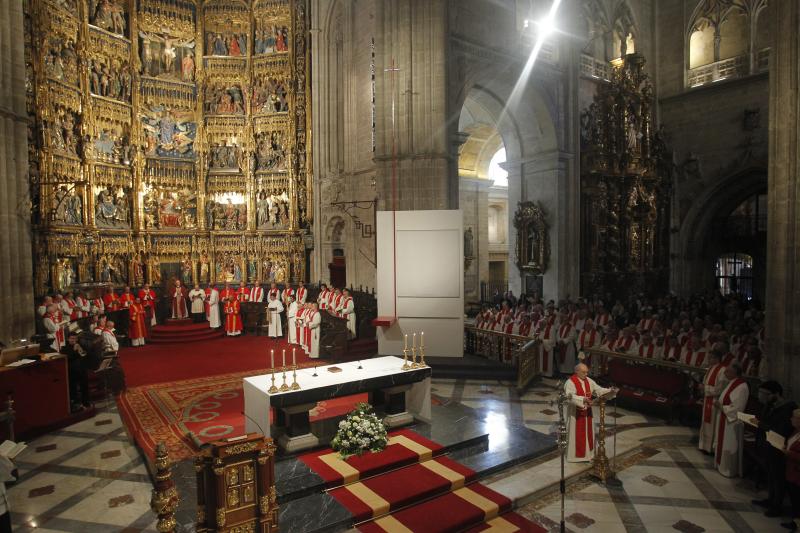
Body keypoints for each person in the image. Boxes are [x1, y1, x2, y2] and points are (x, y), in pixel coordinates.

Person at [752, 381, 797, 517]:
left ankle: (777, 506)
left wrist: (760, 424)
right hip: (767, 445)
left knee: (778, 478)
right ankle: (771, 500)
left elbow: (780, 430)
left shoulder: (787, 408)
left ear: (776, 394)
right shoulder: (770, 405)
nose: (762, 397)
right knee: (771, 475)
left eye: (765, 394)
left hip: (778, 448)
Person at [564, 363, 618, 462]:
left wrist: (610, 390)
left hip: (587, 412)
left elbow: (598, 390)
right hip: (576, 414)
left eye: (587, 372)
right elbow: (569, 396)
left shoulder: (588, 381)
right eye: (584, 372)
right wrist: (583, 399)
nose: (586, 374)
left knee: (588, 433)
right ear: (577, 372)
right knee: (577, 434)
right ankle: (575, 457)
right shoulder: (570, 382)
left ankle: (588, 455)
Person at [714, 362, 749, 477]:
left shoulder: (742, 387)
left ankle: (728, 470)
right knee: (722, 444)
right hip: (725, 419)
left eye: (728, 370)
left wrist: (721, 407)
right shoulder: (733, 383)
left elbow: (738, 408)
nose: (725, 372)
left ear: (735, 373)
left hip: (732, 423)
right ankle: (721, 466)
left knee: (729, 445)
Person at [698, 350, 729, 454]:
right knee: (706, 423)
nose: (708, 360)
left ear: (717, 358)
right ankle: (704, 445)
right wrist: (702, 387)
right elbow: (705, 382)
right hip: (708, 399)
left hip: (715, 401)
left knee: (712, 425)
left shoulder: (722, 370)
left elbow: (720, 389)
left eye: (710, 357)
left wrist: (705, 388)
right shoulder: (711, 368)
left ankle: (710, 448)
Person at [61, 332, 91, 410]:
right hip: (72, 372)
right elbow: (69, 358)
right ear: (68, 339)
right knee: (73, 389)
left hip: (81, 370)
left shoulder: (79, 346)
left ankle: (86, 402)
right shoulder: (64, 349)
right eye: (72, 338)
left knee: (84, 387)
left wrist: (81, 350)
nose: (73, 340)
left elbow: (84, 355)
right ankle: (76, 404)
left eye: (75, 338)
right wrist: (75, 350)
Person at [782, 408, 800, 531]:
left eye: (793, 417)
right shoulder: (796, 431)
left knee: (798, 502)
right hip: (791, 471)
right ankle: (794, 523)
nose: (791, 418)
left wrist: (788, 453)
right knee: (794, 501)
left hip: (797, 474)